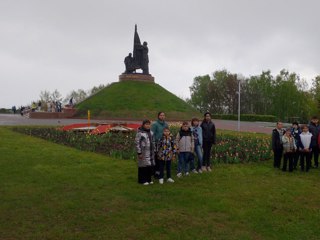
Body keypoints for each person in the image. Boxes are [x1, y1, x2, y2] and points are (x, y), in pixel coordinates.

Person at [135, 119, 155, 185]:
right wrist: (139, 152)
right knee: (142, 166)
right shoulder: (140, 133)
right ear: (143, 125)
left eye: (149, 124)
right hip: (143, 152)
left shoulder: (151, 132)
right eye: (146, 124)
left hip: (150, 152)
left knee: (149, 166)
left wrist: (154, 150)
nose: (148, 125)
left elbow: (153, 141)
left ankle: (148, 179)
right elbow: (137, 143)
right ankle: (142, 180)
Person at [151, 112, 168, 178]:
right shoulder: (155, 124)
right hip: (157, 143)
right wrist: (153, 143)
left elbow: (168, 132)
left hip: (164, 143)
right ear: (158, 116)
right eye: (161, 115)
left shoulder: (166, 124)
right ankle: (155, 172)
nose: (162, 116)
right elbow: (152, 134)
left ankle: (161, 171)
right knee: (157, 159)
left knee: (162, 159)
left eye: (163, 115)